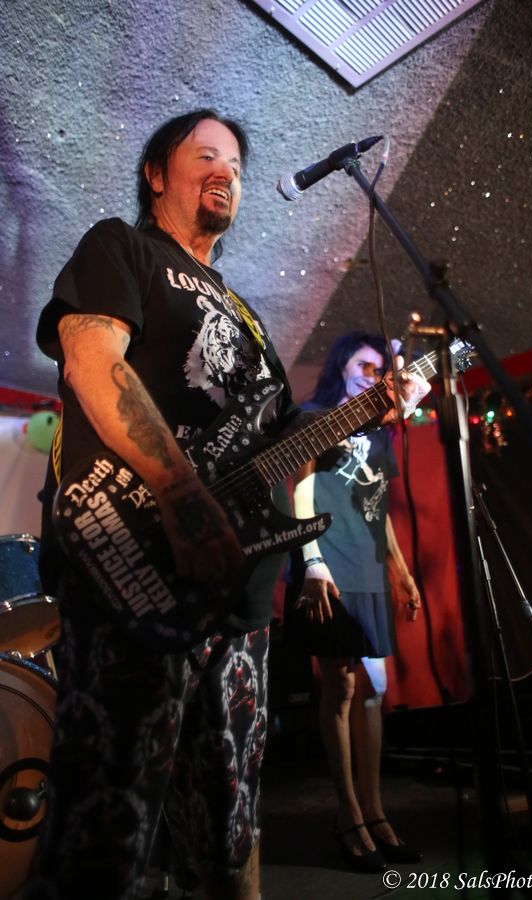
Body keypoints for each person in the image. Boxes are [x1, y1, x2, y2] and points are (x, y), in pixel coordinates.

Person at [27, 111, 425, 900]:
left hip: (238, 606)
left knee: (229, 830)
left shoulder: (246, 315)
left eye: (237, 164)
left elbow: (284, 446)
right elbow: (92, 359)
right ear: (155, 174)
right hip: (135, 576)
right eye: (205, 155)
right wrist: (182, 495)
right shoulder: (122, 247)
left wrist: (364, 411)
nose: (227, 171)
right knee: (103, 831)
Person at [290, 331, 427, 874]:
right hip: (329, 563)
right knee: (342, 685)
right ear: (342, 367)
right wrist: (311, 560)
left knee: (374, 690)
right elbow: (299, 489)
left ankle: (376, 814)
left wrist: (401, 570)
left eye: (379, 369)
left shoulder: (379, 431)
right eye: (365, 366)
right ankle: (349, 817)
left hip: (368, 566)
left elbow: (379, 506)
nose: (373, 376)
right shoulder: (315, 418)